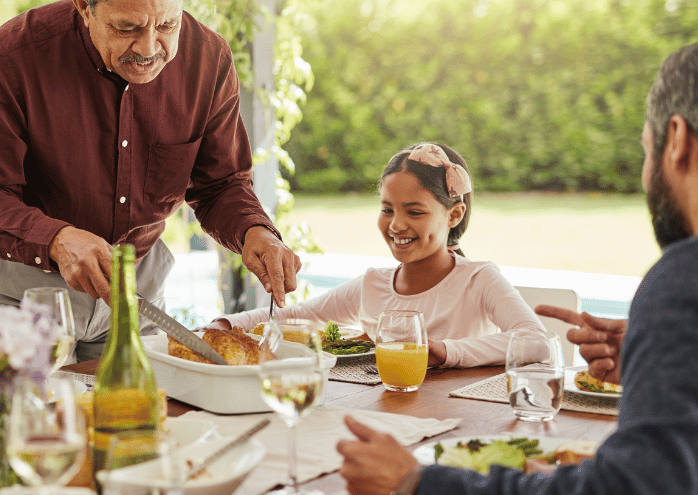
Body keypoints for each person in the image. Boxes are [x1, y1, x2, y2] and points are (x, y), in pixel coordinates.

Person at [337, 42, 698, 495]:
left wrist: (418, 487)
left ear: (677, 140)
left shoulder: (684, 280)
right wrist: (660, 359)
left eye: (646, 147)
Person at [0, 0, 300, 361]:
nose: (150, 48)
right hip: (26, 285)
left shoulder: (208, 60)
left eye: (168, 25)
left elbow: (221, 184)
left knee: (139, 418)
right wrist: (57, 239)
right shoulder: (11, 58)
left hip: (137, 288)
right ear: (84, 5)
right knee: (30, 421)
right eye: (127, 28)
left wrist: (255, 231)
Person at [212, 143, 545, 367]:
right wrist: (225, 324)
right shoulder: (373, 285)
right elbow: (295, 318)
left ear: (454, 215)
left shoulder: (478, 280)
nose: (396, 225)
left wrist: (444, 351)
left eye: (414, 212)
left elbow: (535, 342)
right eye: (387, 209)